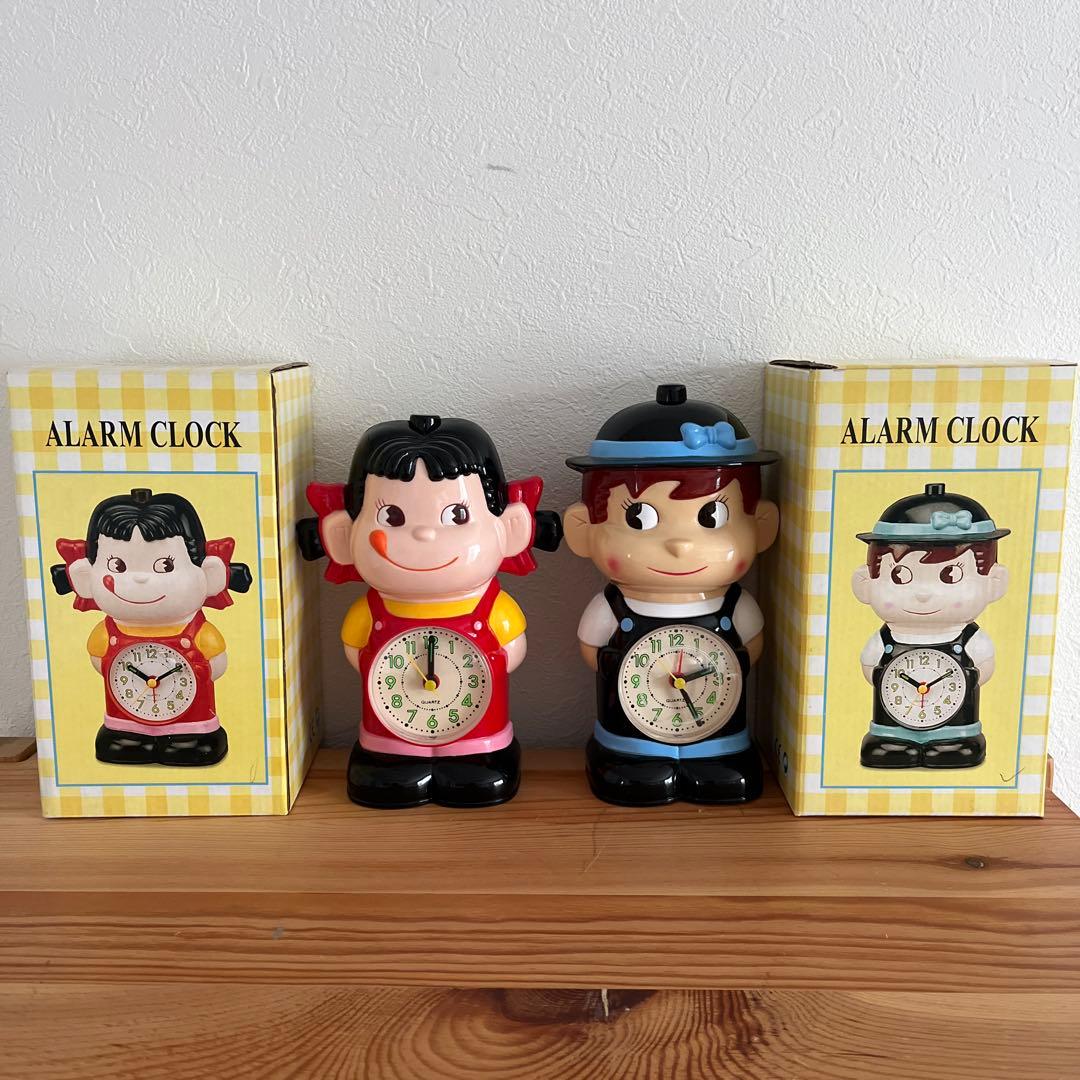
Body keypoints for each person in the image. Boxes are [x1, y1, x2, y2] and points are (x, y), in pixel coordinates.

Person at [298, 413, 561, 808]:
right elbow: (356, 653)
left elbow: (512, 650)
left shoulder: (492, 609)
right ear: (341, 535)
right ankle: (395, 758)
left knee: (476, 776)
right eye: (392, 517)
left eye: (457, 516)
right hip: (388, 740)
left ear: (511, 528)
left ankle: (471, 757)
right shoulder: (372, 611)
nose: (424, 534)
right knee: (387, 776)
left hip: (480, 740)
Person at [565, 384, 779, 805]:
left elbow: (752, 649)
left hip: (721, 737)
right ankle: (634, 757)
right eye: (639, 519)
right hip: (627, 738)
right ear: (583, 530)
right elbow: (592, 652)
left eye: (711, 517)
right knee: (633, 775)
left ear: (763, 526)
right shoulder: (613, 607)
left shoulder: (735, 605)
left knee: (726, 777)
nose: (679, 545)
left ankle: (712, 756)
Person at [52, 488, 251, 766]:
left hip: (192, 722)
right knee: (123, 741)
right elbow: (99, 662)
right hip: (124, 717)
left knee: (191, 744)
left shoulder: (199, 634)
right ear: (84, 576)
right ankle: (130, 733)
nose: (140, 580)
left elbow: (216, 666)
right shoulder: (108, 633)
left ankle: (188, 737)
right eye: (117, 565)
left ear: (210, 574)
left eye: (165, 565)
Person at [853, 482, 1009, 769]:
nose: (923, 594)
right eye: (900, 576)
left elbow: (983, 672)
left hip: (958, 727)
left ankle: (952, 741)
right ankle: (894, 740)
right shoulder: (886, 639)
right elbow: (871, 671)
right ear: (864, 584)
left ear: (995, 583)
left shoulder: (971, 640)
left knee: (957, 748)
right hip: (890, 726)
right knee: (886, 748)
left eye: (949, 576)